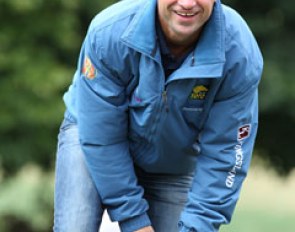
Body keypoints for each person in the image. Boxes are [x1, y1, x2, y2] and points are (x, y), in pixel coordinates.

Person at [53, 0, 263, 231]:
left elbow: (226, 154)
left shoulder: (239, 53)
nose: (187, 3)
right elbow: (103, 136)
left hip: (172, 160)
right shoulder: (108, 33)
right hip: (91, 138)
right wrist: (134, 221)